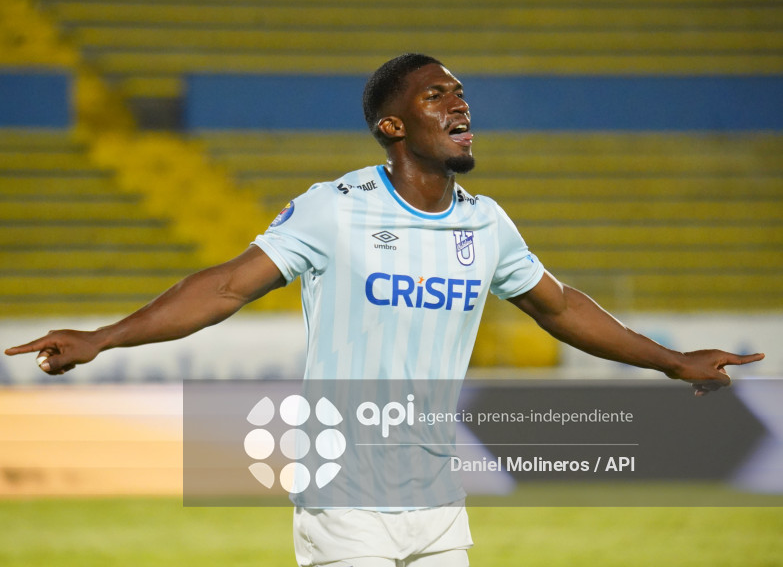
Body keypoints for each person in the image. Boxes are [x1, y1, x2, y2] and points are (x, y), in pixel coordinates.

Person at [5, 53, 765, 567]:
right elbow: (225, 287)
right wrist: (103, 337)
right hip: (344, 486)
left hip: (436, 490)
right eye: (435, 94)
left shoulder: (486, 221)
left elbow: (560, 309)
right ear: (391, 127)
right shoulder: (333, 209)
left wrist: (671, 360)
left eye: (459, 93)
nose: (457, 101)